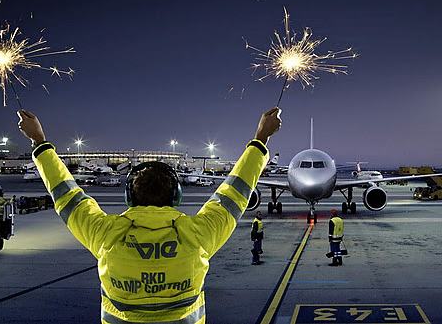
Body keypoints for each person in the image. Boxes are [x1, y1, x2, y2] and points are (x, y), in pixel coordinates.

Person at [17, 107, 282, 324]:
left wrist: (40, 142)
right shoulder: (197, 235)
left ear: (129, 197)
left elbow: (67, 195)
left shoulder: (107, 235)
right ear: (175, 196)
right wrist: (261, 138)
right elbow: (236, 192)